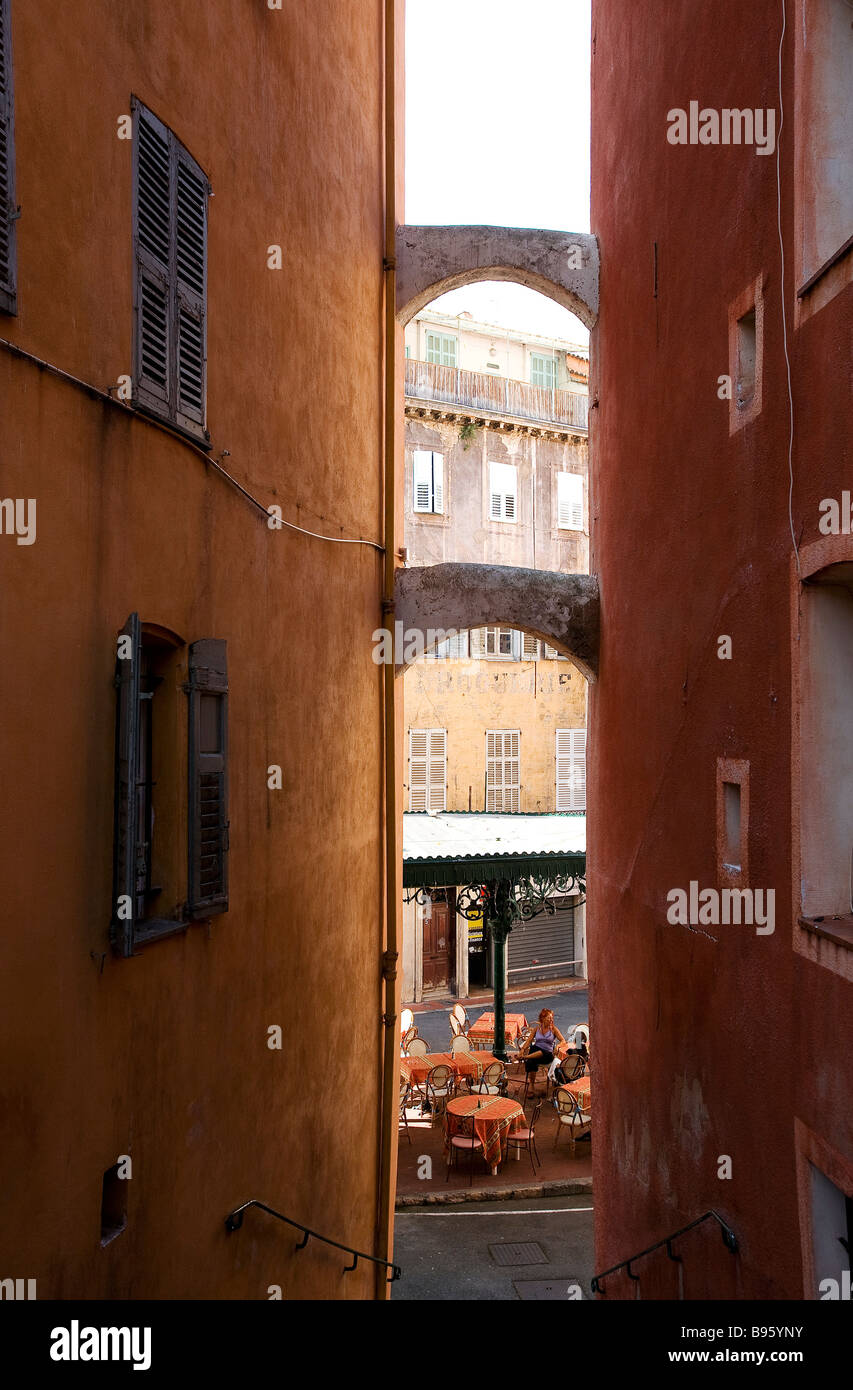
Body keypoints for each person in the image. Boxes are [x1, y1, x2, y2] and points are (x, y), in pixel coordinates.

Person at [520, 1008, 566, 1077]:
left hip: (547, 1055)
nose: (551, 1020)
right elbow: (528, 1041)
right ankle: (532, 1085)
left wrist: (557, 1046)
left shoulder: (554, 1029)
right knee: (531, 1061)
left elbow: (563, 1041)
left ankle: (526, 1057)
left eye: (552, 1018)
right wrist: (522, 1050)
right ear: (543, 1018)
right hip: (536, 1052)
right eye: (549, 1018)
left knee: (541, 1052)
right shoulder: (536, 1029)